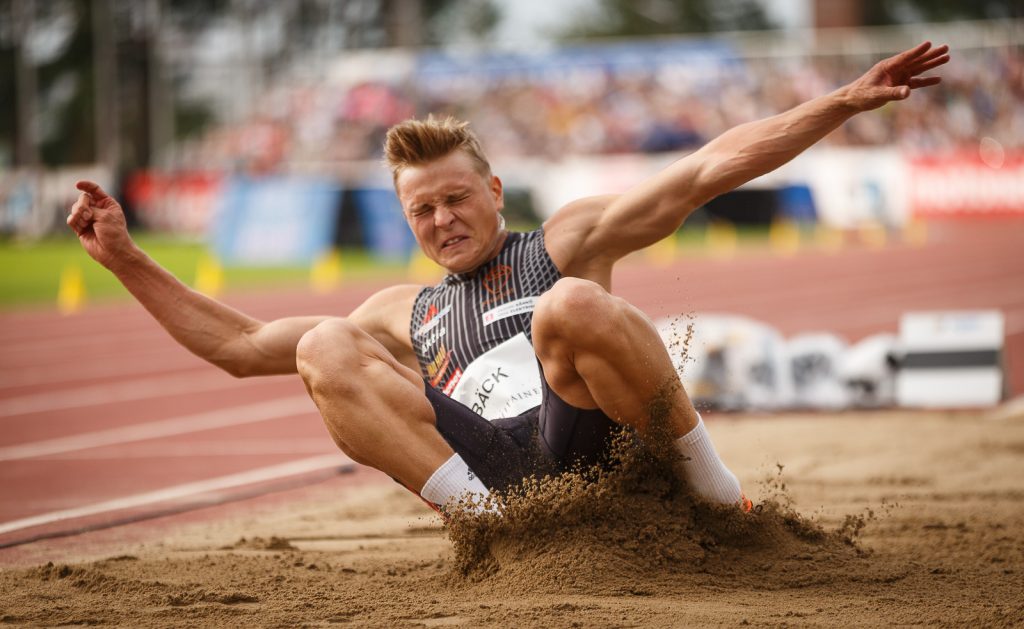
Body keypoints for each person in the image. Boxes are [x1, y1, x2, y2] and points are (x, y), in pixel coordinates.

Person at [67, 42, 948, 513]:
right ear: (405, 217)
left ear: (493, 191)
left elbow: (706, 169)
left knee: (569, 305)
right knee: (325, 344)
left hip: (597, 438)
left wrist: (840, 101)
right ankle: (500, 537)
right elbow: (239, 344)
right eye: (422, 210)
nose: (443, 219)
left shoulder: (566, 239)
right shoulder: (398, 310)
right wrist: (126, 257)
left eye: (457, 198)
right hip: (500, 476)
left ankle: (721, 499)